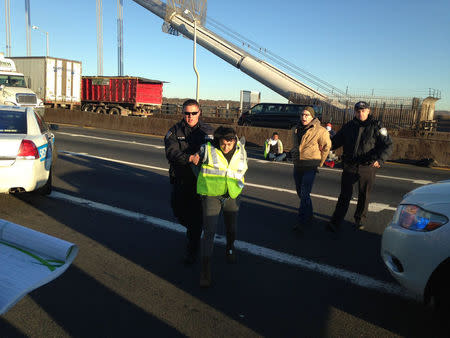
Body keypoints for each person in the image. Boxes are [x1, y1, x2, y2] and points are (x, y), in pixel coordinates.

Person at [328, 101, 393, 231]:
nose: (360, 113)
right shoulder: (348, 126)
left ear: (368, 111)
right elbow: (335, 142)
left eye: (363, 111)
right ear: (355, 112)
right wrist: (323, 145)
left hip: (368, 166)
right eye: (358, 111)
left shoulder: (377, 126)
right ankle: (336, 221)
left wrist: (380, 160)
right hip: (350, 165)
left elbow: (388, 145)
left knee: (364, 195)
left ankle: (359, 220)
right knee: (344, 195)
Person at [196, 126, 248, 287]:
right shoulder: (207, 149)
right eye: (223, 143)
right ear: (218, 141)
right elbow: (197, 163)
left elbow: (242, 169)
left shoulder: (241, 150)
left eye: (230, 143)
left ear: (235, 140)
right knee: (209, 232)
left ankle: (230, 248)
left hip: (232, 195)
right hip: (212, 195)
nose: (226, 147)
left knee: (231, 228)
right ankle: (205, 271)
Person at [164, 99, 214, 264]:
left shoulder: (208, 131)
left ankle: (192, 249)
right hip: (180, 179)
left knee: (195, 217)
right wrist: (189, 158)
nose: (190, 116)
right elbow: (171, 153)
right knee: (177, 210)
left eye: (193, 113)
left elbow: (218, 150)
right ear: (182, 113)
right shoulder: (174, 131)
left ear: (199, 113)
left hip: (200, 182)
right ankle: (193, 230)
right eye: (187, 113)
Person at [290, 106, 331, 232]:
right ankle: (310, 213)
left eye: (307, 115)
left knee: (304, 192)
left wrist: (320, 162)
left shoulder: (320, 130)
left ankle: (302, 222)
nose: (304, 117)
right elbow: (295, 145)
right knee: (300, 192)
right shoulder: (295, 129)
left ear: (312, 117)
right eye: (302, 114)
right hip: (298, 165)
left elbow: (326, 146)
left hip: (310, 165)